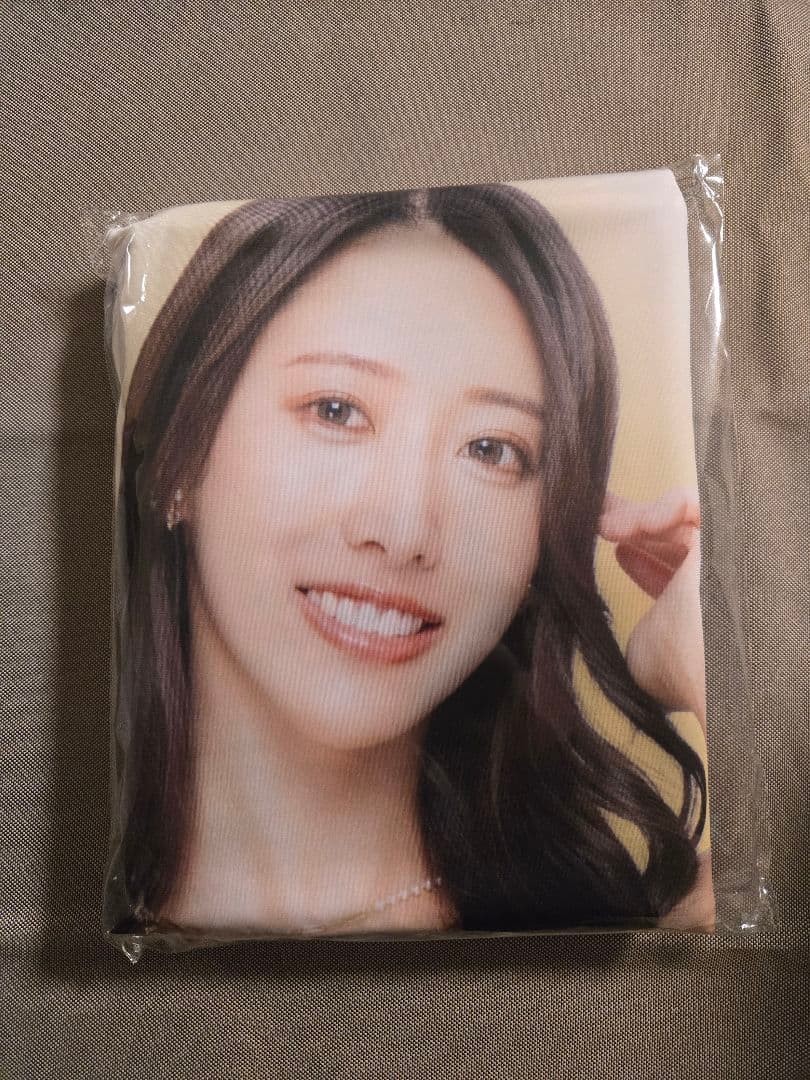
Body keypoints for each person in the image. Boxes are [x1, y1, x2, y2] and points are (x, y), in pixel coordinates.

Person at [109, 184, 711, 938]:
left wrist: (710, 653)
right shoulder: (58, 882)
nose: (401, 532)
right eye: (335, 410)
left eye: (491, 450)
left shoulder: (657, 929)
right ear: (180, 457)